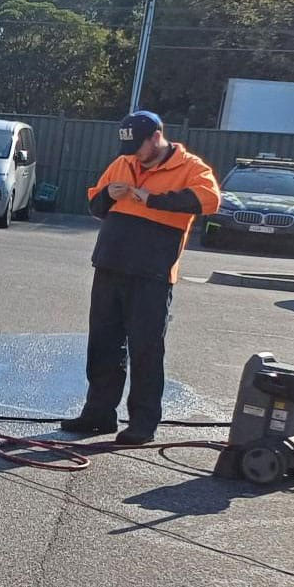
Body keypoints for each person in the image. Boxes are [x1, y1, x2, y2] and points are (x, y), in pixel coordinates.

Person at [62, 111, 220, 446]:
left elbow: (210, 200)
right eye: (129, 148)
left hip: (152, 273)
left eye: (139, 146)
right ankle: (99, 413)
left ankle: (143, 423)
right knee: (103, 344)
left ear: (156, 137)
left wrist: (153, 199)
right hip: (110, 264)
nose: (133, 154)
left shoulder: (190, 166)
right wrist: (109, 195)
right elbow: (94, 203)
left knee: (147, 348)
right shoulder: (123, 163)